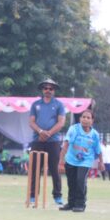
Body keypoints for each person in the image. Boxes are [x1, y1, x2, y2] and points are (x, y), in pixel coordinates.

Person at [28, 78, 66, 206]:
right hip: (37, 139)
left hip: (53, 140)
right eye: (45, 88)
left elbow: (61, 122)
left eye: (51, 88)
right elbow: (31, 122)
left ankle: (57, 196)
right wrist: (40, 131)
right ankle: (33, 195)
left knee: (55, 169)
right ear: (42, 90)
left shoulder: (59, 104)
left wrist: (48, 133)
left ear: (54, 90)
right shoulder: (36, 104)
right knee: (35, 169)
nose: (48, 90)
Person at [58, 110, 103, 212]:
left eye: (88, 118)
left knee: (80, 180)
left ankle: (80, 204)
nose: (85, 119)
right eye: (83, 117)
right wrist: (61, 162)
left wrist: (101, 162)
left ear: (92, 121)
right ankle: (71, 203)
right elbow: (66, 144)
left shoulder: (94, 134)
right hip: (70, 159)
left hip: (85, 161)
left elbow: (98, 149)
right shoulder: (74, 129)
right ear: (80, 119)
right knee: (71, 182)